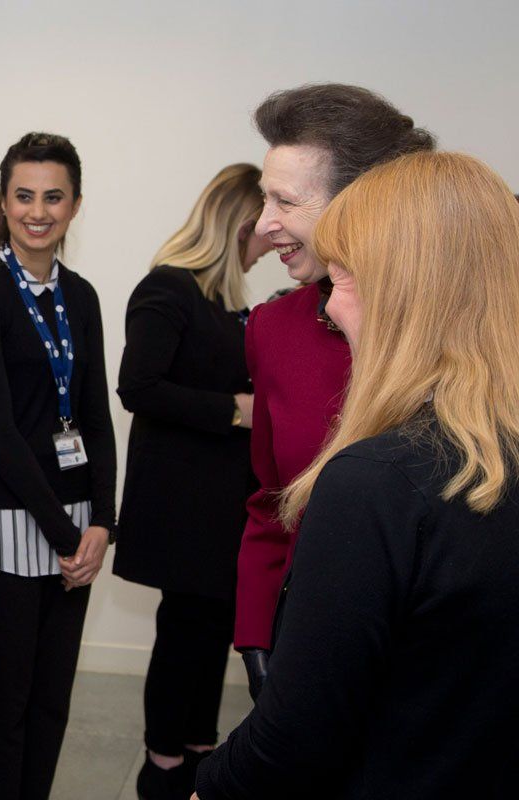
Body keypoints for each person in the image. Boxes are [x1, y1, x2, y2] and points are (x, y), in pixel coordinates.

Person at [196, 151, 519, 798]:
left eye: (345, 278)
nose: (334, 309)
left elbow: (296, 737)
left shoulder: (376, 483)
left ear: (408, 295)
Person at [234, 84, 435, 694]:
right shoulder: (274, 330)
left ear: (362, 205)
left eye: (286, 201)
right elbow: (272, 501)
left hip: (434, 660)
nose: (264, 224)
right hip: (308, 648)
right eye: (264, 198)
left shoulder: (456, 331)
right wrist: (256, 635)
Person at [0, 132, 116, 799]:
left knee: (51, 703)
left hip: (73, 527)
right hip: (6, 524)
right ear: (3, 201)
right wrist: (68, 535)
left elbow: (97, 417)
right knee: (4, 705)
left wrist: (102, 522)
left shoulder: (82, 296)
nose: (37, 212)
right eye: (24, 196)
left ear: (75, 204)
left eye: (53, 197)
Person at [111, 165, 269, 800]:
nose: (273, 243)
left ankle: (200, 751)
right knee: (184, 635)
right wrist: (234, 409)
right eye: (267, 229)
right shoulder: (168, 287)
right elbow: (138, 386)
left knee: (209, 635)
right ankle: (164, 766)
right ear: (241, 224)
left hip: (222, 505)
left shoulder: (229, 304)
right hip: (183, 509)